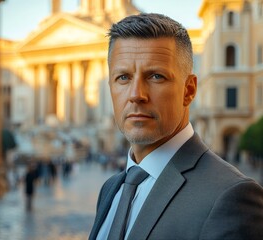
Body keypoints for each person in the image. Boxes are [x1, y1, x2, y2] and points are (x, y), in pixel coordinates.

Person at [89, 13, 263, 240]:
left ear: (189, 90)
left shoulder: (231, 196)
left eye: (156, 76)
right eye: (123, 77)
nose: (136, 95)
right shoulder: (110, 189)